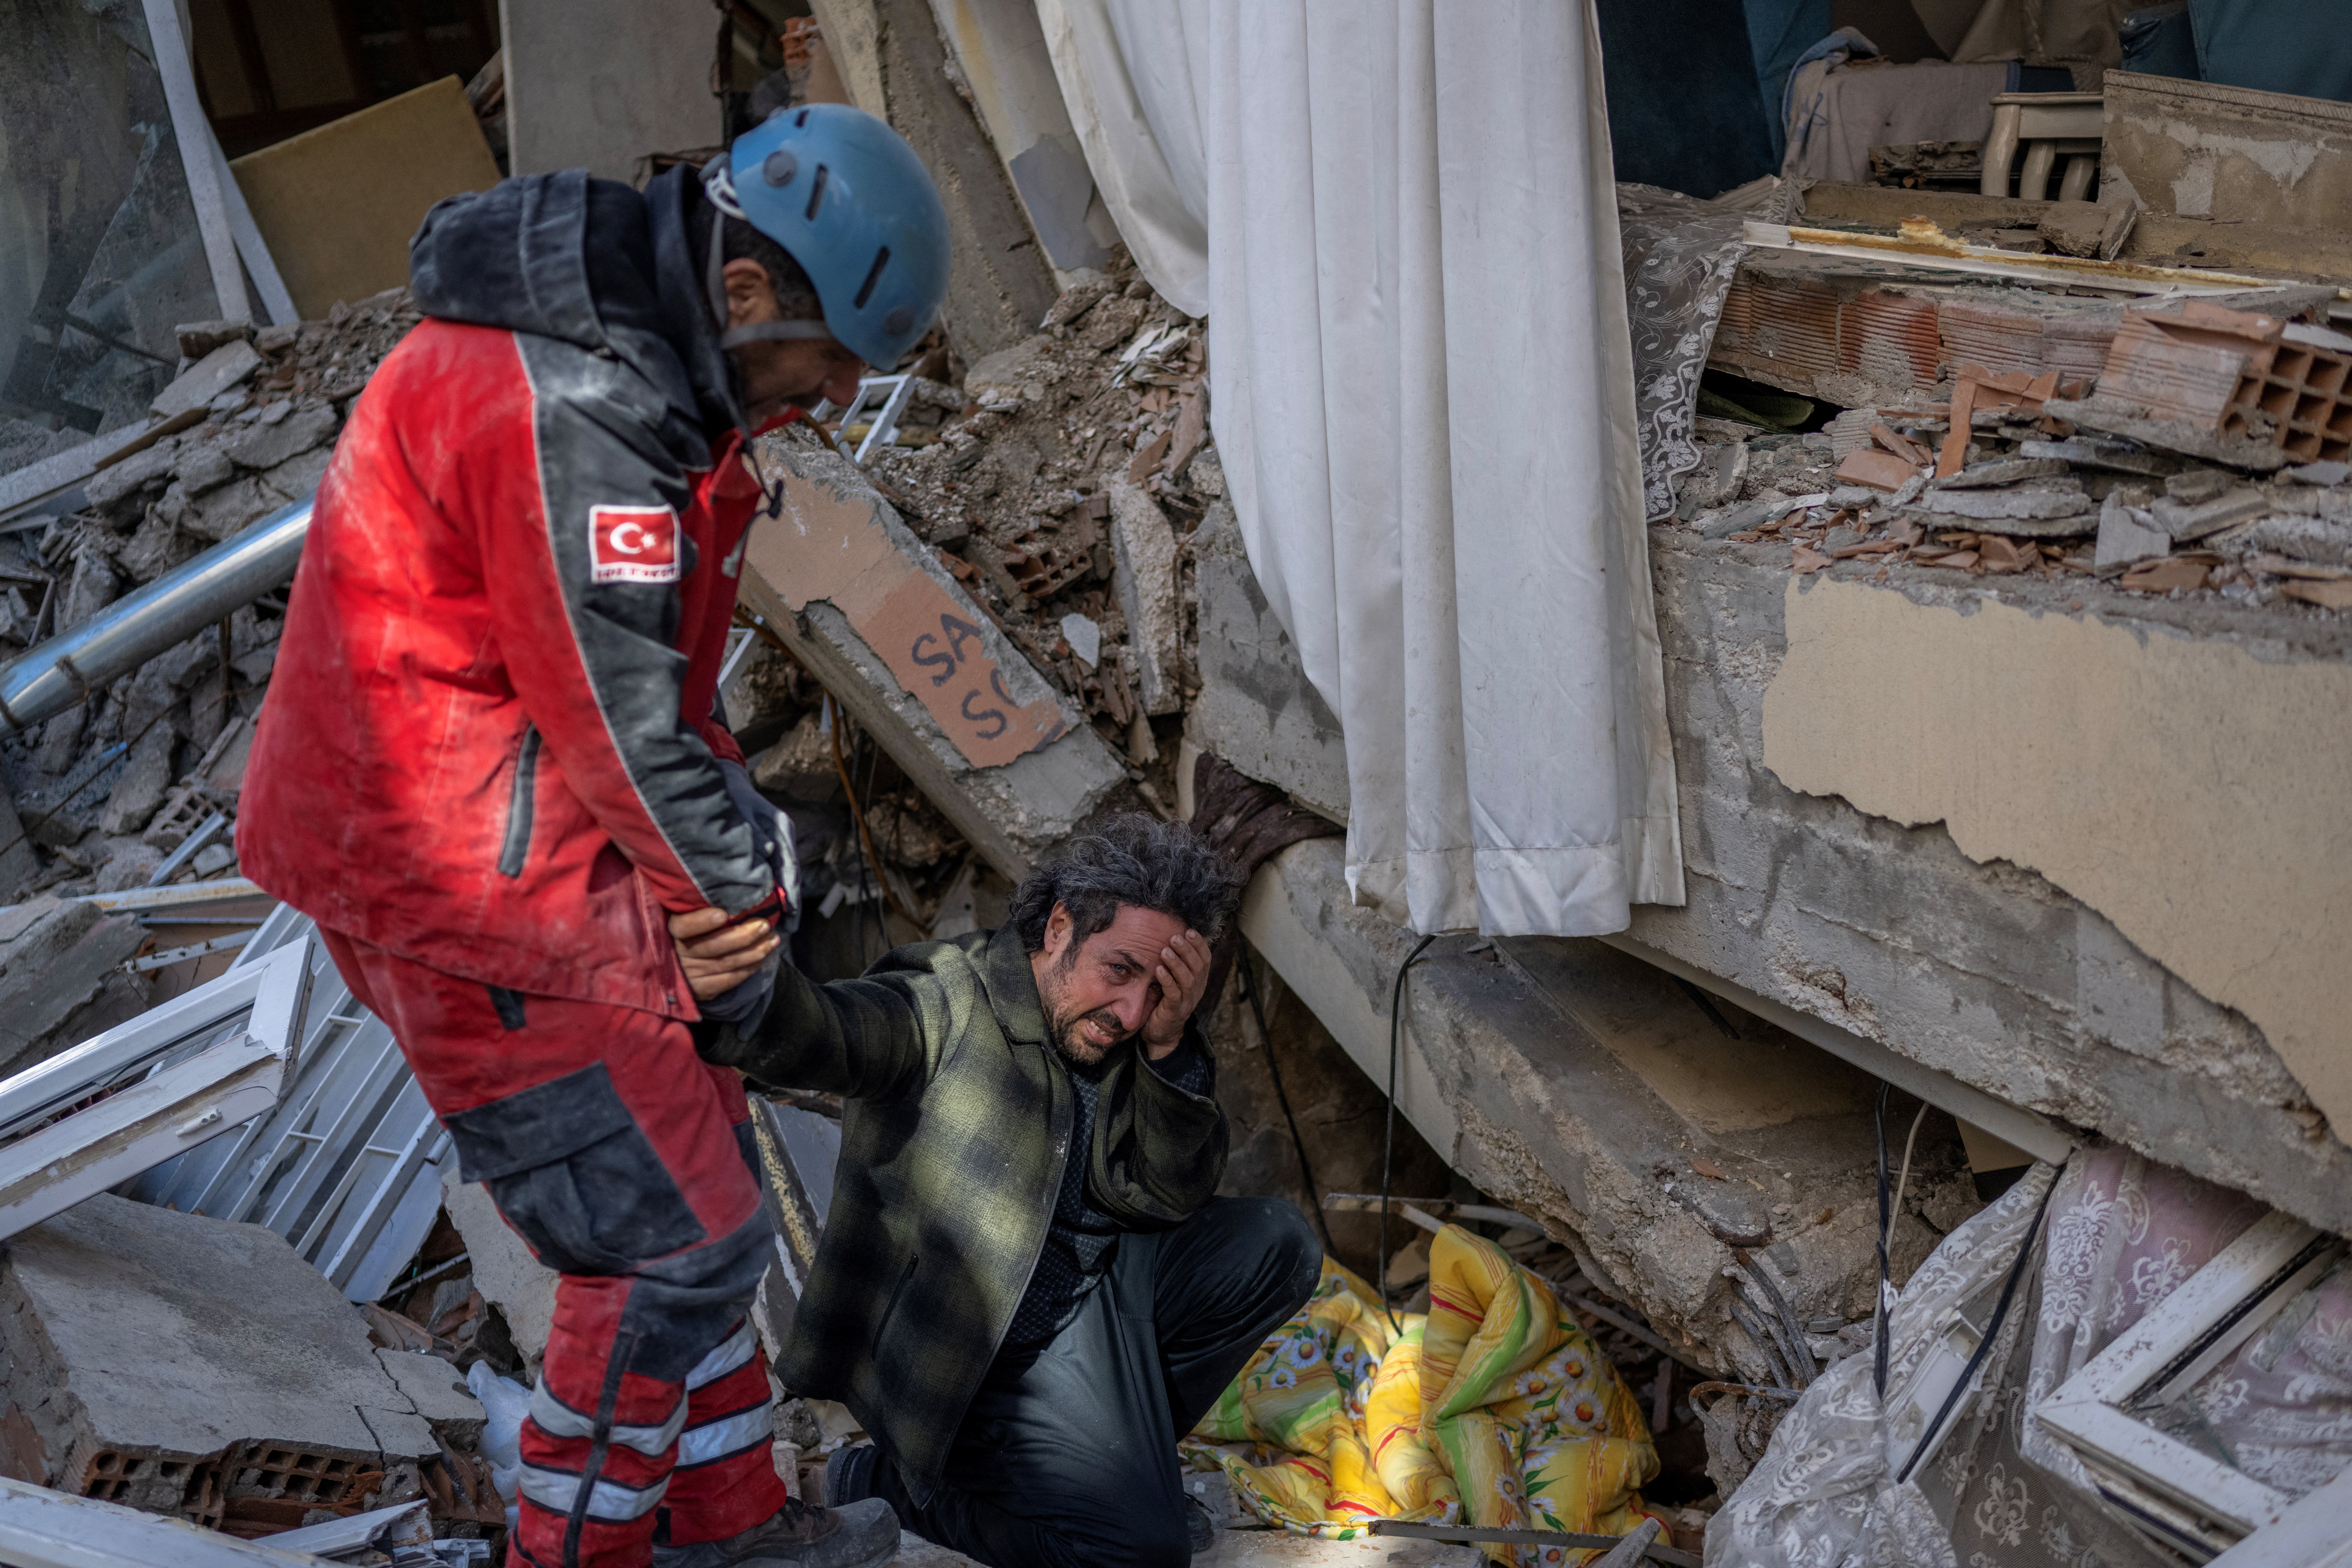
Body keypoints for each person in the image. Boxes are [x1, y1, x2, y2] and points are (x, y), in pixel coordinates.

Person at [236, 104, 950, 1568]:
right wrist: (740, 912)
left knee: (710, 1188)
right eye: (825, 364)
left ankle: (732, 1522)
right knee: (670, 1244)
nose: (826, 399)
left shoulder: (646, 381)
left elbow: (655, 694)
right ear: (745, 292)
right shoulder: (578, 408)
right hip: (453, 877)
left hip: (523, 838)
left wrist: (732, 864)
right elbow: (618, 713)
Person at [678, 814, 1326, 1568]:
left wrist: (1171, 1047)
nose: (1130, 1012)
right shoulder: (948, 997)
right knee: (1140, 1552)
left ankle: (1108, 1467)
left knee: (1276, 1244)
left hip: (1095, 1298)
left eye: (1156, 990)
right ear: (1058, 929)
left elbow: (1173, 1195)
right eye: (1119, 971)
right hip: (988, 1359)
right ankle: (888, 1479)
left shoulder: (1134, 1030)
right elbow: (834, 1030)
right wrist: (733, 993)